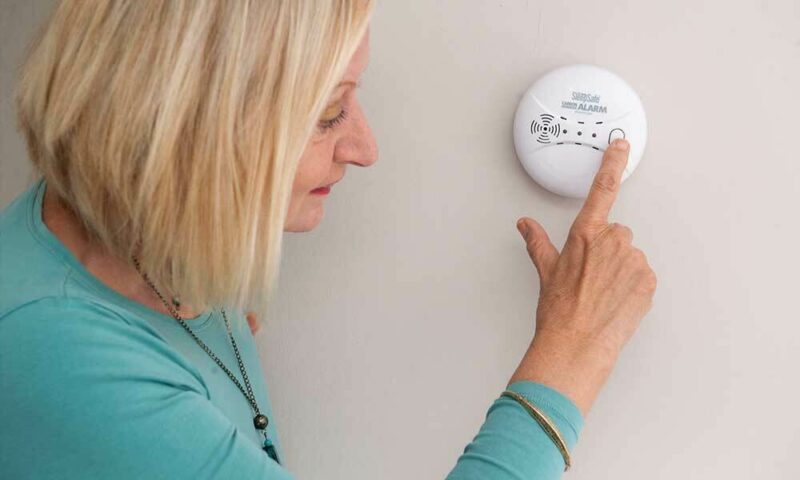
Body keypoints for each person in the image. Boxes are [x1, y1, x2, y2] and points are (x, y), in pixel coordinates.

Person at [0, 1, 657, 478]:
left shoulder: (140, 249)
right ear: (189, 132)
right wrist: (570, 356)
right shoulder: (61, 364)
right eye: (329, 113)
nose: (365, 149)